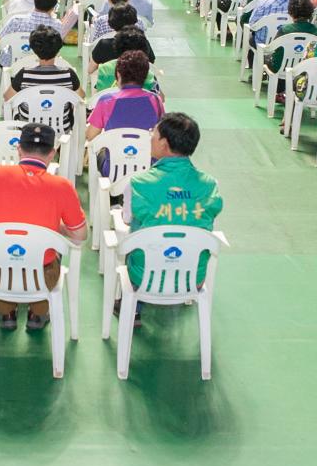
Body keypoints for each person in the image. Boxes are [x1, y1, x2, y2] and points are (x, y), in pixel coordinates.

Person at [0, 121, 85, 330]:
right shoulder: (63, 187)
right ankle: (37, 314)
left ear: (19, 149)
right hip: (41, 277)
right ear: (52, 154)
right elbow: (80, 235)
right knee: (51, 256)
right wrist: (57, 229)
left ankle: (6, 313)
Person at [120, 112, 222, 319]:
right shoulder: (210, 185)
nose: (150, 137)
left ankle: (134, 308)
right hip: (193, 277)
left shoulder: (138, 183)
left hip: (144, 276)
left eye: (153, 134)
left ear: (164, 144)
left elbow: (126, 219)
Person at [4, 26, 82, 114]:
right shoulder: (69, 74)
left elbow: (7, 97)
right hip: (62, 126)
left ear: (34, 49)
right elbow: (81, 98)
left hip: (28, 125)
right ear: (58, 49)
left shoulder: (24, 74)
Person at [87, 50, 164, 140]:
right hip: (146, 153)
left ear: (118, 74)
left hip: (113, 153)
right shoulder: (156, 100)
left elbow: (91, 136)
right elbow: (161, 133)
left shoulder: (105, 101)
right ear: (146, 75)